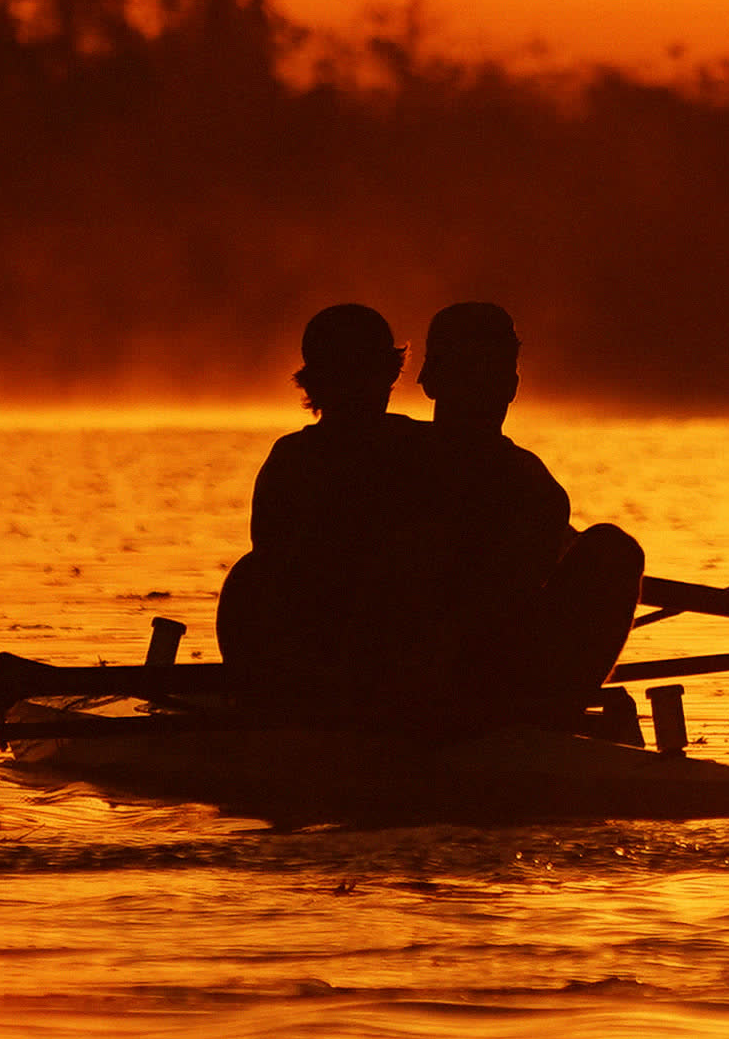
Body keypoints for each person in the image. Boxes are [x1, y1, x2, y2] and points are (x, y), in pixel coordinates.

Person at [414, 299, 646, 730]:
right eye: (472, 369)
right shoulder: (532, 487)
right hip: (484, 689)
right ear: (513, 385)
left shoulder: (384, 455)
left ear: (428, 379)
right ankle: (548, 716)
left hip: (396, 679)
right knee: (614, 551)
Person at [212, 301, 434, 710]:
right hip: (322, 658)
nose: (358, 387)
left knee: (249, 576)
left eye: (364, 371)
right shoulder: (424, 449)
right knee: (250, 575)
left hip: (386, 657)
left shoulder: (424, 448)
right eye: (347, 373)